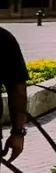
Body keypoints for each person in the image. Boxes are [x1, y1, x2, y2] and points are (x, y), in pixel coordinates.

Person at [1, 26, 29, 161]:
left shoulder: (3, 38)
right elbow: (17, 89)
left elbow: (17, 88)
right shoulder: (3, 37)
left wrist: (18, 132)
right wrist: (18, 133)